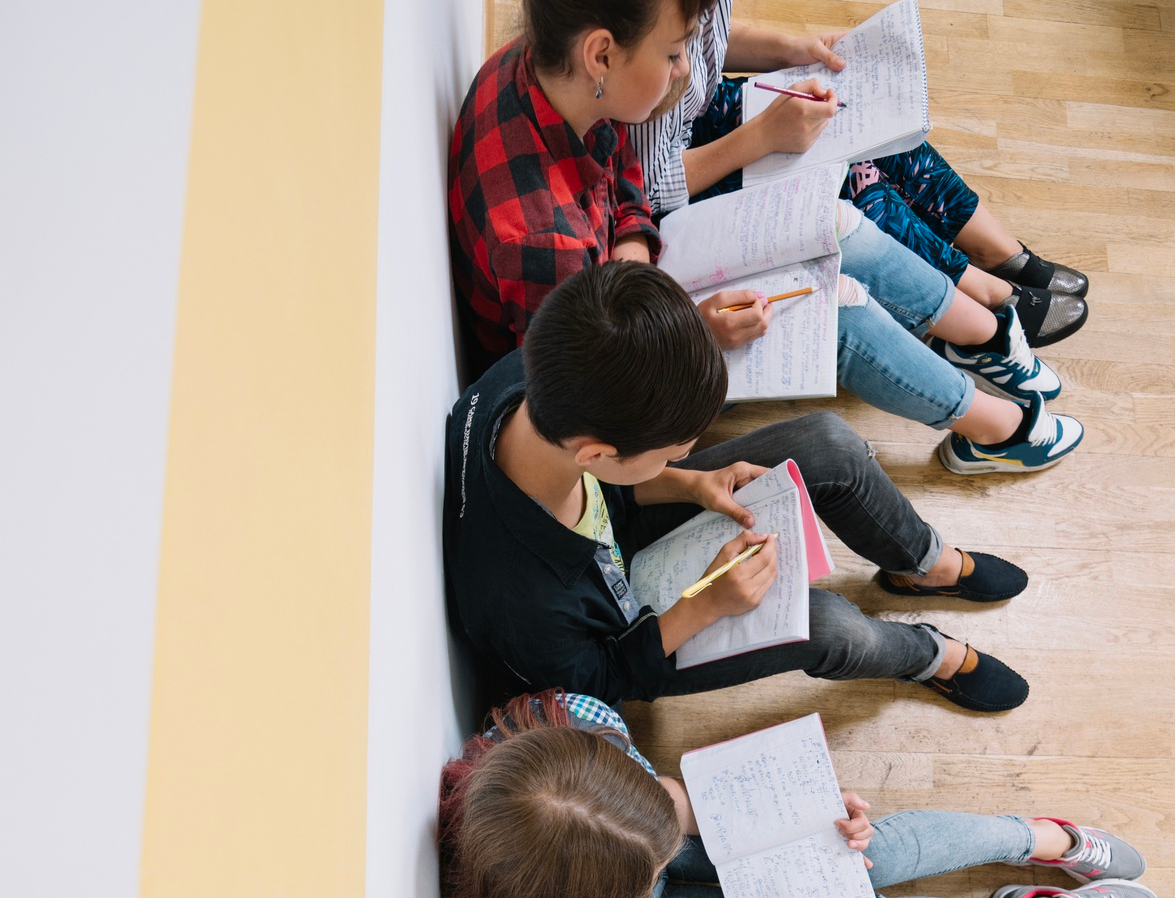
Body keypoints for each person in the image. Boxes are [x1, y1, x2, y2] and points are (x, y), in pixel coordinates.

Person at [448, 0, 1084, 474]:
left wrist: (632, 258)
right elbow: (595, 389)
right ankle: (997, 429)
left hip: (620, 297)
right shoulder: (542, 241)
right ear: (603, 54)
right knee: (830, 310)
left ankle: (982, 333)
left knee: (831, 220)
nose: (682, 73)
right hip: (615, 380)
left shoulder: (545, 72)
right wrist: (695, 326)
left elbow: (624, 182)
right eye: (673, 55)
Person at [445, 260, 1035, 711]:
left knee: (829, 445)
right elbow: (600, 682)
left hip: (614, 540)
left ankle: (920, 563)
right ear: (601, 452)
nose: (684, 456)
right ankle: (926, 656)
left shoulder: (546, 372)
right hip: (628, 633)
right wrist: (703, 606)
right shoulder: (520, 602)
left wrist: (693, 482)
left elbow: (611, 488)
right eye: (672, 451)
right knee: (825, 625)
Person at [439, 691, 1162, 898]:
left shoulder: (582, 722)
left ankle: (1038, 837)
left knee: (865, 849)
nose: (680, 838)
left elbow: (687, 801)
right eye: (661, 859)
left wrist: (805, 806)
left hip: (606, 860)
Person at [627, 0, 1089, 348]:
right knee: (849, 183)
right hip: (674, 186)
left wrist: (792, 50)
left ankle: (996, 252)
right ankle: (974, 294)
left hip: (701, 112)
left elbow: (708, 36)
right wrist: (761, 137)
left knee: (858, 119)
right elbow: (644, 188)